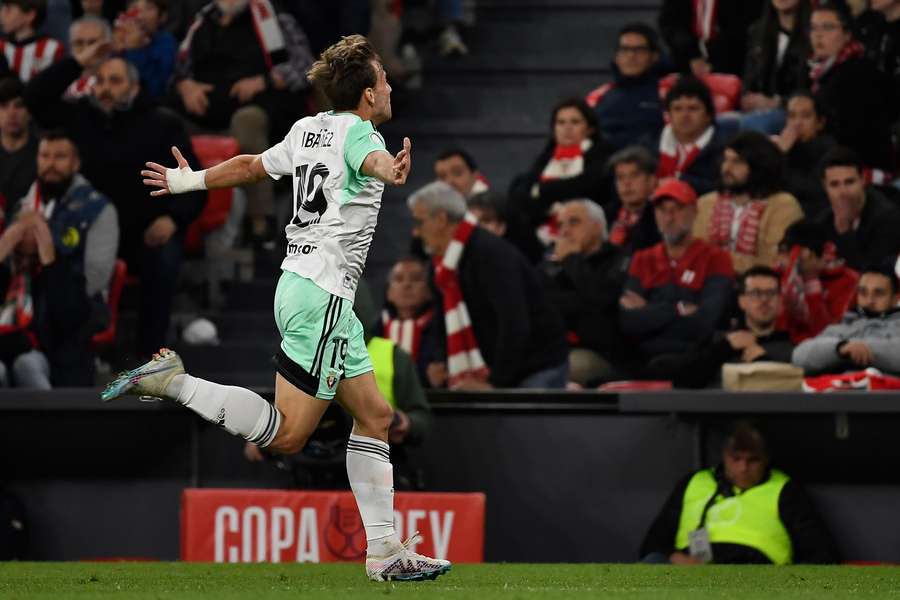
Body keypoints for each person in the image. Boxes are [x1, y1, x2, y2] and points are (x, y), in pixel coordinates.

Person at [103, 35, 451, 582]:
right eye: (382, 79)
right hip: (324, 297)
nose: (388, 87)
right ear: (365, 94)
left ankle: (385, 552)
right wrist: (391, 169)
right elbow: (371, 156)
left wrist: (187, 179)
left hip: (300, 287)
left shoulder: (306, 129)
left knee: (376, 417)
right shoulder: (362, 132)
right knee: (290, 437)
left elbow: (248, 166)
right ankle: (174, 382)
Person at [24, 51, 205, 355]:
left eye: (115, 80)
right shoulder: (79, 116)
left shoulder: (162, 123)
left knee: (163, 257)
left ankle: (151, 355)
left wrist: (172, 219)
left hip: (145, 232)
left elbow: (196, 182)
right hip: (87, 231)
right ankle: (65, 350)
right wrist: (78, 63)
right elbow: (33, 99)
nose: (106, 88)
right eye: (100, 80)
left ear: (134, 88)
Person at [171, 0, 314, 242]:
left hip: (259, 105)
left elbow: (306, 67)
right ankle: (174, 213)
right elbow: (178, 69)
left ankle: (260, 218)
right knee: (168, 123)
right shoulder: (202, 21)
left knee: (247, 122)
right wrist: (185, 86)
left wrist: (264, 81)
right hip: (204, 110)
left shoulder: (270, 18)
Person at [408, 181, 569, 390]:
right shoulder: (439, 266)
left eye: (419, 222)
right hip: (493, 367)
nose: (416, 232)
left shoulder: (490, 254)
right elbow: (441, 322)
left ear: (441, 219)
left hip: (536, 364)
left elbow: (514, 323)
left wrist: (495, 384)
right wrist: (440, 362)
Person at [640, 421, 838, 564]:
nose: (743, 468)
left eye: (753, 460)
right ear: (724, 456)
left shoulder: (785, 490)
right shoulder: (693, 483)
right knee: (651, 563)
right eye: (736, 459)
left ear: (766, 459)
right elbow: (652, 544)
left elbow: (821, 554)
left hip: (752, 574)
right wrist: (676, 558)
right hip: (690, 571)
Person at [620, 178, 735, 358]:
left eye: (677, 209)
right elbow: (628, 321)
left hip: (694, 354)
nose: (668, 217)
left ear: (695, 211)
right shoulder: (642, 258)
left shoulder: (716, 258)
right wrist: (678, 309)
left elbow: (706, 321)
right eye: (662, 210)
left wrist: (648, 310)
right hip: (643, 354)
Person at [647, 266, 794, 388]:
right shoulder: (718, 340)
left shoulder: (792, 349)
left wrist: (760, 359)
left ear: (780, 302)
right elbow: (678, 378)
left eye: (771, 293)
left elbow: (790, 392)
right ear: (742, 301)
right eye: (755, 293)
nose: (764, 300)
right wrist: (724, 348)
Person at [538, 199, 630, 385]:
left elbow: (602, 301)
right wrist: (579, 301)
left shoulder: (619, 258)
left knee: (553, 373)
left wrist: (572, 259)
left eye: (574, 222)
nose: (565, 231)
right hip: (554, 347)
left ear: (597, 227)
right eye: (561, 224)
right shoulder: (551, 261)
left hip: (601, 353)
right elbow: (537, 302)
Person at [508, 97, 613, 248]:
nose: (567, 128)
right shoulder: (546, 157)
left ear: (590, 129)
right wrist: (547, 208)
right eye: (561, 122)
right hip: (540, 236)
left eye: (575, 122)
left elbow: (585, 187)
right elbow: (522, 194)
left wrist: (542, 190)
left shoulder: (602, 155)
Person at [692, 131, 803, 274]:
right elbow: (696, 255)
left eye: (737, 161)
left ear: (759, 166)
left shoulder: (783, 205)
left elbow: (773, 262)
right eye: (726, 159)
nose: (727, 168)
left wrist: (718, 260)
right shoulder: (706, 203)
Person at [808, 1, 897, 170]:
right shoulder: (818, 71)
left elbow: (850, 135)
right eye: (813, 28)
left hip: (860, 167)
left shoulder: (858, 73)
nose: (818, 35)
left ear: (847, 34)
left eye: (827, 27)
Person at [793, 264, 900, 375]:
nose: (869, 300)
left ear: (895, 298)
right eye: (863, 292)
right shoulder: (840, 327)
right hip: (837, 389)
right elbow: (799, 356)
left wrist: (863, 348)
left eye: (878, 293)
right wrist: (841, 348)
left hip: (885, 390)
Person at [816, 147, 900, 272]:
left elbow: (870, 274)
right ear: (824, 187)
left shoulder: (888, 219)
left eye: (849, 182)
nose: (843, 192)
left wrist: (844, 233)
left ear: (863, 180)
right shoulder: (825, 217)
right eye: (834, 184)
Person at [776, 219, 858, 344]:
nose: (783, 259)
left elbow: (827, 334)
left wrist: (810, 280)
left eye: (788, 252)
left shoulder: (849, 281)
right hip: (783, 344)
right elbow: (776, 327)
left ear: (808, 254)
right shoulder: (781, 274)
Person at [585, 22, 664, 150]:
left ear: (654, 56)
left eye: (639, 50)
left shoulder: (669, 92)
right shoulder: (597, 97)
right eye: (624, 49)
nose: (631, 56)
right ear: (616, 57)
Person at [649, 76, 729, 196]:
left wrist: (680, 183)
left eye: (693, 108)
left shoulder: (726, 150)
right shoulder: (649, 145)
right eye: (677, 109)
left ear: (709, 115)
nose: (684, 115)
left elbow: (725, 188)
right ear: (668, 115)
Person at [740, 0, 812, 133]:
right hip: (758, 110)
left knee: (757, 124)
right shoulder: (757, 31)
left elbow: (810, 89)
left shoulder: (813, 34)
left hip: (793, 111)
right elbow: (748, 78)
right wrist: (748, 99)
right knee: (723, 124)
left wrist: (777, 103)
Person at [771, 91, 837, 217]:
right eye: (792, 116)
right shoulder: (782, 146)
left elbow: (806, 191)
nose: (797, 123)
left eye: (806, 116)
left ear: (820, 123)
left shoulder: (828, 150)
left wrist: (780, 156)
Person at [658, 0, 764, 76]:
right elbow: (670, 24)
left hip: (734, 66)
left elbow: (747, 27)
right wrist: (692, 55)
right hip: (685, 66)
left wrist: (714, 63)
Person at [379, 257, 439, 386]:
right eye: (399, 279)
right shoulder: (374, 332)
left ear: (429, 290)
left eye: (416, 279)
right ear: (389, 292)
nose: (407, 285)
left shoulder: (442, 330)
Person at [114, 0, 176, 102]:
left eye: (149, 8)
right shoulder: (117, 40)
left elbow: (155, 90)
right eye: (134, 7)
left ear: (162, 17)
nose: (139, 16)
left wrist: (135, 51)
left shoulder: (166, 43)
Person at [606, 146, 661, 254]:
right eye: (620, 177)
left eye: (634, 175)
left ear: (651, 181)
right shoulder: (606, 215)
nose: (626, 183)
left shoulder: (660, 217)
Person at [0, 0, 63, 83]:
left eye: (8, 9)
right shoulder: (1, 46)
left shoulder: (52, 48)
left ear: (30, 15)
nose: (1, 15)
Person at [0, 76, 36, 215]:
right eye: (4, 106)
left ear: (30, 112)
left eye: (19, 105)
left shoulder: (44, 155)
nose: (12, 113)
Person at [64, 15, 112, 100]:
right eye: (78, 43)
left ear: (107, 47)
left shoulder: (120, 80)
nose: (86, 49)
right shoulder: (59, 81)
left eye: (93, 43)